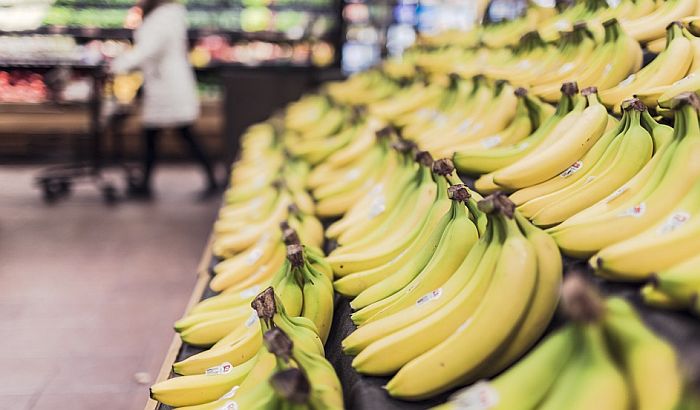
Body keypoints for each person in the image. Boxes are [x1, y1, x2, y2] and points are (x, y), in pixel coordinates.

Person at [111, 0, 218, 199]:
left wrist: (119, 64)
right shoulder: (165, 14)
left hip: (169, 85)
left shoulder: (165, 16)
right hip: (163, 84)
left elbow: (149, 49)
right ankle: (146, 184)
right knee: (155, 135)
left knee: (181, 133)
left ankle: (211, 179)